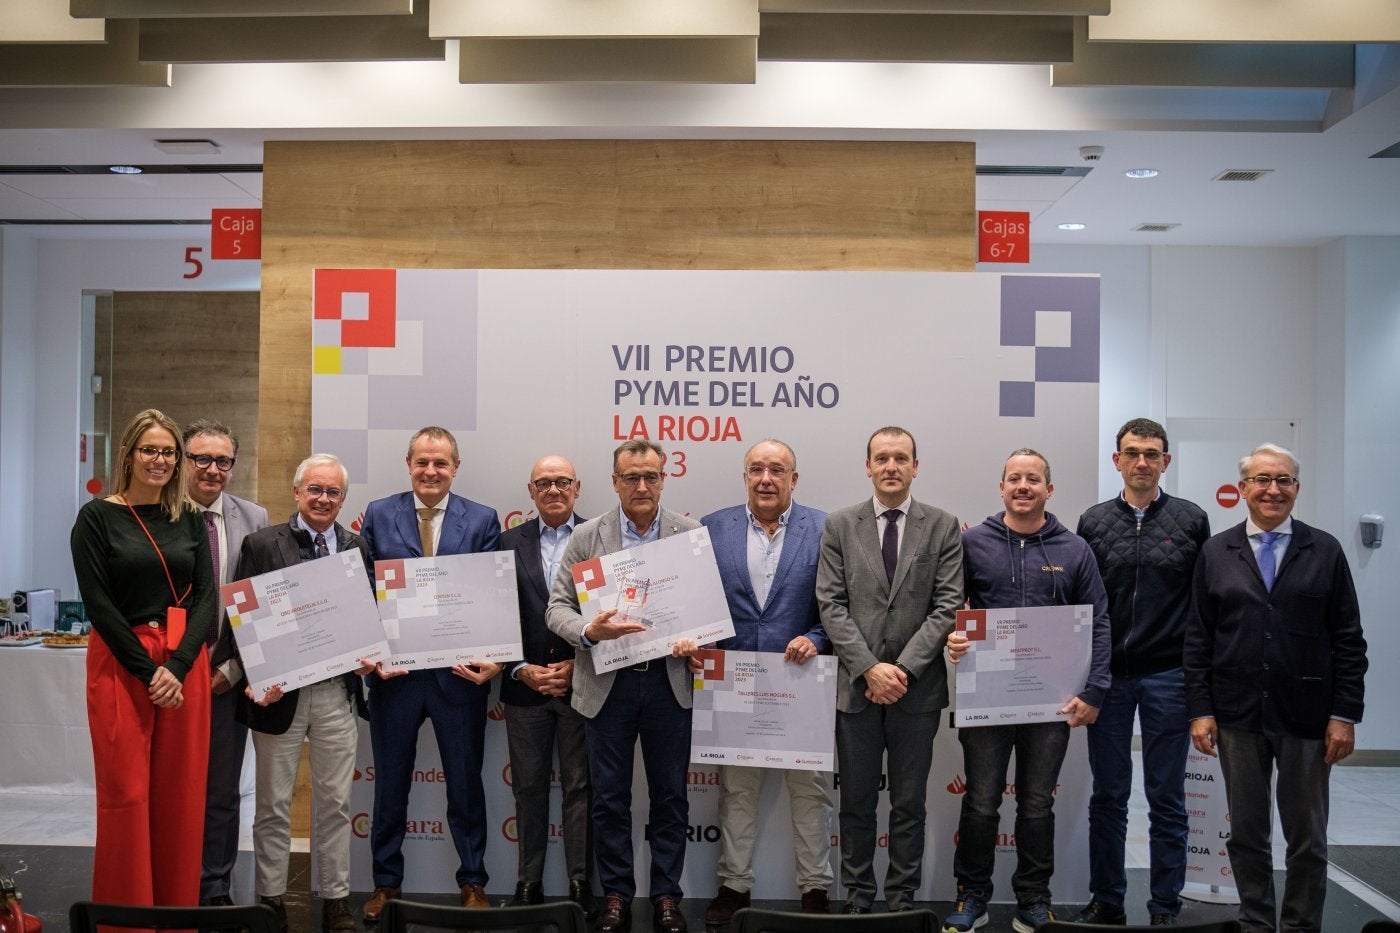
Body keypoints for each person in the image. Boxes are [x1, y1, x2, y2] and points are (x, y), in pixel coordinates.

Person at [1185, 443, 1367, 933]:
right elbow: (1198, 637)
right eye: (1262, 480)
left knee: (1307, 835)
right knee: (1246, 832)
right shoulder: (1216, 551)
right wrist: (1200, 709)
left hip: (1308, 715)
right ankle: (1256, 922)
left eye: (1283, 480)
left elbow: (1349, 638)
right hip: (1237, 715)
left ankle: (1302, 925)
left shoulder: (1324, 549)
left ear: (1296, 488)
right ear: (1243, 488)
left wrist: (1344, 713)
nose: (1273, 490)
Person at [943, 448, 1112, 933]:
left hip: (1050, 703)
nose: (1023, 486)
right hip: (987, 701)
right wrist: (952, 637)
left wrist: (1096, 689)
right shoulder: (972, 543)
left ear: (1048, 490)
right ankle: (971, 894)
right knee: (980, 800)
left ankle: (1034, 900)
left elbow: (1098, 620)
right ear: (1001, 488)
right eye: (1014, 478)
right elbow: (951, 606)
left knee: (1038, 803)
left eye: (1033, 479)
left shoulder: (1074, 549)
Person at [546, 439, 700, 933]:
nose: (641, 486)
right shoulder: (588, 536)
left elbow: (707, 611)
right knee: (609, 797)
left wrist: (694, 639)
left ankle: (666, 897)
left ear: (663, 479)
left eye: (650, 476)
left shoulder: (690, 534)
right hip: (605, 684)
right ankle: (615, 894)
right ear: (614, 481)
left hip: (668, 684)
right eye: (630, 477)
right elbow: (557, 609)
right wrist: (590, 632)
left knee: (670, 796)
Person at [69, 408, 217, 907]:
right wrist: (148, 670)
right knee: (126, 796)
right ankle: (126, 916)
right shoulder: (96, 518)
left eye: (169, 452)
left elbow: (206, 599)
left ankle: (176, 912)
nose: (160, 460)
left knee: (181, 797)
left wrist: (175, 669)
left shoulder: (191, 518)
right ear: (129, 454)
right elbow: (98, 605)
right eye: (149, 450)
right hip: (122, 662)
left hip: (182, 664)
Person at [815, 426, 963, 914]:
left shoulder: (942, 525)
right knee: (856, 803)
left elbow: (946, 607)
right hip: (856, 691)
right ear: (868, 466)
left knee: (908, 805)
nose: (891, 467)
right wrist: (868, 669)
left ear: (915, 466)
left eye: (901, 458)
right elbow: (831, 605)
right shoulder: (840, 525)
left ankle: (901, 900)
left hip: (916, 692)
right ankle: (858, 897)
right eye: (882, 458)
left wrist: (899, 670)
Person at [360, 427, 503, 919]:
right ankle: (385, 883)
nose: (430, 471)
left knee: (465, 784)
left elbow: (492, 596)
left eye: (440, 463)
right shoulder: (380, 513)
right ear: (409, 464)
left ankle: (473, 881)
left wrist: (495, 658)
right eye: (422, 462)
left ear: (455, 468)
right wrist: (371, 652)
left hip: (458, 677)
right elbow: (362, 590)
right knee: (390, 784)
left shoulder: (482, 519)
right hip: (395, 678)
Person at [1071, 418, 1209, 926]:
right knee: (1108, 795)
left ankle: (1164, 907)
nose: (1142, 462)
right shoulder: (1093, 521)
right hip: (1107, 678)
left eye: (1152, 453)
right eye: (1132, 453)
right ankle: (1107, 900)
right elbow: (1082, 604)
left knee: (1167, 798)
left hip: (1168, 677)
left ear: (1166, 461)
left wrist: (1200, 690)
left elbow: (1201, 611)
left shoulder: (1192, 521)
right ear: (1117, 460)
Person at [233, 454, 372, 933]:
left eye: (333, 492)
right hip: (280, 696)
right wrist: (255, 676)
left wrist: (371, 652)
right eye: (315, 489)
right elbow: (243, 619)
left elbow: (365, 617)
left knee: (334, 804)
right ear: (296, 491)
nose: (323, 499)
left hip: (337, 695)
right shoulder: (262, 544)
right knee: (272, 804)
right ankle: (270, 898)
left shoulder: (358, 546)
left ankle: (335, 899)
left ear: (343, 499)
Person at [700, 439, 835, 923]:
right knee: (737, 792)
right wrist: (701, 645)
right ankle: (734, 886)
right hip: (733, 682)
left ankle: (816, 888)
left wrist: (817, 638)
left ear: (794, 479)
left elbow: (836, 607)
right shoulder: (713, 528)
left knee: (811, 792)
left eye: (777, 470)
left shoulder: (825, 528)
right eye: (756, 469)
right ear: (745, 476)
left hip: (801, 682)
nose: (766, 479)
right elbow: (699, 603)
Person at [498, 455, 596, 918]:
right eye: (543, 483)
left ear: (577, 487)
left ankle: (579, 882)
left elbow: (609, 612)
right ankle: (527, 882)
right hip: (524, 689)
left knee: (581, 788)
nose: (553, 490)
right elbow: (494, 620)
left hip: (585, 687)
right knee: (529, 789)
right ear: (531, 490)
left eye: (562, 482)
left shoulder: (600, 539)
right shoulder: (505, 543)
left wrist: (581, 665)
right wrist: (520, 668)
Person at [185, 419, 270, 908]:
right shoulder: (162, 515)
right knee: (174, 790)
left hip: (225, 676)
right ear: (184, 461)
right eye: (201, 458)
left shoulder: (254, 517)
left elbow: (259, 603)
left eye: (222, 461)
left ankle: (214, 886)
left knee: (221, 791)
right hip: (170, 676)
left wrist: (233, 669)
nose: (212, 469)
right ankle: (171, 877)